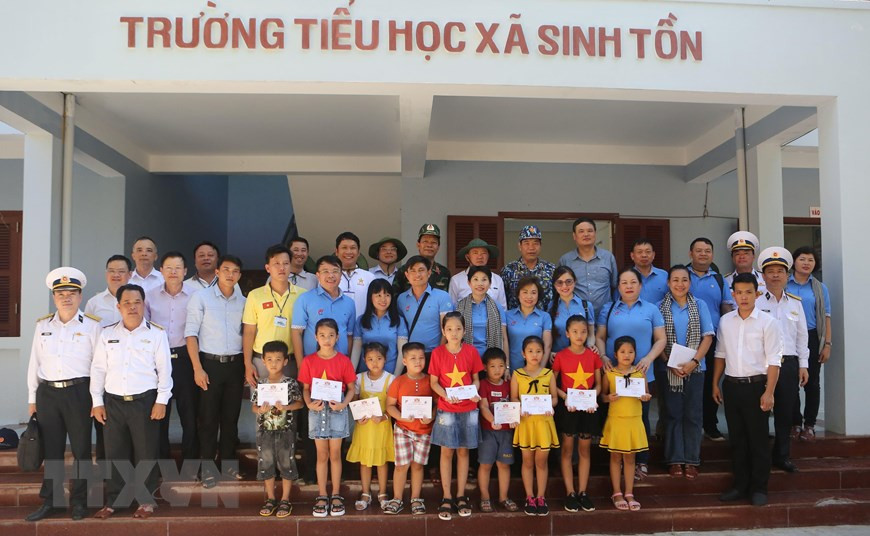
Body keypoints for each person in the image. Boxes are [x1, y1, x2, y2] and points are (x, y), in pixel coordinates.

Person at [25, 267, 101, 522]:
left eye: (71, 293)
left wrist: (96, 399)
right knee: (52, 451)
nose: (66, 297)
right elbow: (34, 363)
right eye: (60, 293)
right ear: (54, 297)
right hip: (48, 394)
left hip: (80, 393)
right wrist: (32, 398)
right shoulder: (43, 325)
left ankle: (79, 502)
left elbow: (98, 366)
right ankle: (52, 501)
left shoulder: (92, 326)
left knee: (80, 450)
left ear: (80, 296)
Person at [91, 284, 173, 520]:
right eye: (126, 302)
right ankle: (115, 501)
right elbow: (98, 370)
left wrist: (161, 401)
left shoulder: (156, 334)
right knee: (116, 453)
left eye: (137, 302)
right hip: (113, 402)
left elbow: (164, 372)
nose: (132, 307)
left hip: (145, 402)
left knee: (145, 453)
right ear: (118, 307)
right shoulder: (107, 334)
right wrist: (97, 401)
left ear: (144, 304)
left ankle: (146, 501)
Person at [712, 273, 782, 507]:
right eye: (739, 292)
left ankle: (759, 488)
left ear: (757, 294)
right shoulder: (726, 321)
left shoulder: (768, 322)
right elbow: (720, 354)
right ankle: (740, 486)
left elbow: (774, 360)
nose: (743, 297)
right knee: (738, 440)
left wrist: (769, 392)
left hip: (756, 387)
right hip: (732, 387)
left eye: (748, 292)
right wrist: (715, 382)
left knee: (758, 439)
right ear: (733, 294)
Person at [595, 267, 666, 481]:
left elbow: (661, 339)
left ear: (640, 286)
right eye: (624, 283)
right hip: (613, 373)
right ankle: (613, 461)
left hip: (641, 373)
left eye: (633, 282)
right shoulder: (608, 309)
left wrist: (648, 358)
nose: (628, 286)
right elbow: (599, 336)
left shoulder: (651, 309)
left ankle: (640, 461)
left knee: (640, 418)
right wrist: (604, 357)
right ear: (618, 287)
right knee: (614, 415)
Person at [184, 254, 246, 488]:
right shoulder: (201, 297)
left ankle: (229, 466)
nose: (231, 274)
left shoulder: (244, 301)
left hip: (235, 364)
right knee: (208, 419)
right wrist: (197, 369)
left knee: (231, 418)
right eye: (226, 269)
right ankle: (207, 469)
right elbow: (191, 334)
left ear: (239, 275)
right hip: (208, 364)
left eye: (235, 271)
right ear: (218, 272)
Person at [756, 247, 809, 473]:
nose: (775, 275)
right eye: (771, 271)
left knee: (785, 411)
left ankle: (782, 455)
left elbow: (802, 336)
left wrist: (803, 365)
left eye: (780, 271)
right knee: (758, 411)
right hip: (762, 365)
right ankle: (758, 456)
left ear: (787, 275)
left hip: (788, 363)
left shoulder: (795, 303)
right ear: (764, 275)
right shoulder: (756, 303)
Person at [658, 265, 714, 480]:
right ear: (668, 283)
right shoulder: (659, 307)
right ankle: (674, 459)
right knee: (672, 415)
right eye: (675, 280)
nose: (680, 284)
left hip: (696, 368)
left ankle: (691, 460)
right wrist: (668, 363)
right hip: (668, 369)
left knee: (692, 415)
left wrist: (693, 361)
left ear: (690, 283)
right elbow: (658, 340)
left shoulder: (699, 305)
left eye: (684, 280)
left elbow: (708, 336)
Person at [298, 318, 357, 517]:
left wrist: (344, 404)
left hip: (337, 410)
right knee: (321, 454)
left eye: (331, 335)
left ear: (337, 337)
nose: (327, 339)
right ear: (315, 337)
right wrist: (308, 404)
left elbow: (350, 388)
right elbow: (305, 389)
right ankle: (322, 494)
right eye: (322, 335)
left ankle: (337, 494)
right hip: (316, 409)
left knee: (335, 454)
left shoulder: (343, 361)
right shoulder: (309, 361)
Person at [428, 312, 483, 521]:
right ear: (443, 331)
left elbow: (476, 379)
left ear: (465, 331)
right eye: (449, 329)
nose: (454, 333)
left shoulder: (471, 352)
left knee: (463, 452)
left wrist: (473, 392)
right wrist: (447, 396)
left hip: (468, 409)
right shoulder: (438, 353)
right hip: (447, 409)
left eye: (458, 329)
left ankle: (461, 495)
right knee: (446, 452)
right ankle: (447, 496)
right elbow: (434, 383)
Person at [145, 251, 198, 463]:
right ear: (161, 271)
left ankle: (191, 463)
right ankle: (161, 462)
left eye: (178, 268)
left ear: (185, 271)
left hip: (185, 358)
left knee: (190, 415)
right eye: (169, 267)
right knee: (159, 414)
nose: (173, 272)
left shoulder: (196, 295)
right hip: (158, 361)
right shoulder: (149, 295)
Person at [552, 315, 602, 513]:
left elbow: (598, 385)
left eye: (583, 331)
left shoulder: (592, 355)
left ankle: (583, 491)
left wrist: (591, 398)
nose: (579, 335)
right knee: (567, 449)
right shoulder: (562, 356)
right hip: (569, 408)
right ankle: (570, 492)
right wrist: (566, 397)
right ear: (567, 333)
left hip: (588, 409)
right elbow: (552, 383)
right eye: (575, 331)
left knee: (584, 450)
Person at [687, 237, 734, 441]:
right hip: (687, 338)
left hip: (713, 337)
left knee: (711, 382)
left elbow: (726, 308)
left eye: (707, 250)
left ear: (712, 255)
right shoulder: (682, 275)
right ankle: (690, 425)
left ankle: (711, 424)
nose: (703, 254)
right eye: (699, 250)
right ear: (691, 254)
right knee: (688, 382)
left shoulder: (719, 279)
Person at [252, 340, 303, 518]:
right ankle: (271, 498)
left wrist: (286, 408)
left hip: (286, 431)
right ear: (263, 361)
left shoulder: (290, 383)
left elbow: (300, 403)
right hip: (264, 431)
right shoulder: (261, 383)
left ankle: (285, 499)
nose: (274, 363)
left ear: (286, 361)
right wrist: (260, 410)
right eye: (270, 359)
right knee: (266, 462)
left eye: (278, 359)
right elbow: (254, 406)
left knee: (286, 462)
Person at [599, 336, 651, 512]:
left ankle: (629, 492)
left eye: (630, 352)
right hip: (616, 420)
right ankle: (616, 492)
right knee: (615, 457)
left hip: (634, 421)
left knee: (630, 458)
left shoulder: (639, 373)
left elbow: (646, 394)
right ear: (615, 354)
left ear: (635, 354)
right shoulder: (610, 373)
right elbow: (602, 397)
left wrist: (645, 396)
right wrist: (608, 397)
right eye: (623, 352)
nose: (626, 355)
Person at [243, 244, 306, 387]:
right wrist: (248, 364)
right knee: (262, 407)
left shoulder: (303, 295)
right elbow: (249, 331)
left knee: (292, 406)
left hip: (291, 361)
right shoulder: (255, 295)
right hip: (262, 362)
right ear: (267, 268)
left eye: (285, 263)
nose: (281, 268)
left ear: (291, 266)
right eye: (276, 264)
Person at [384, 342, 435, 516]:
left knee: (418, 466)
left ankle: (415, 499)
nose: (418, 361)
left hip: (424, 430)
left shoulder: (430, 380)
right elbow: (390, 406)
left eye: (421, 358)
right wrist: (401, 417)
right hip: (403, 429)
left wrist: (432, 415)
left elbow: (436, 405)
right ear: (404, 361)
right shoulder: (398, 381)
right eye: (413, 358)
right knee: (401, 466)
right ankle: (397, 499)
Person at [787, 246, 832, 441]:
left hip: (812, 336)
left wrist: (827, 344)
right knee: (790, 382)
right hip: (788, 336)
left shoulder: (820, 288)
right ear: (794, 262)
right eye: (802, 259)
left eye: (810, 260)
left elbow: (826, 316)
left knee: (812, 383)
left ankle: (810, 425)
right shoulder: (784, 284)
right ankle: (795, 423)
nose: (806, 263)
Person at [511, 335, 559, 516]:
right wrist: (520, 407)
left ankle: (541, 496)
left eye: (538, 351)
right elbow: (513, 397)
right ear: (523, 353)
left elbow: (554, 398)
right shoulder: (517, 374)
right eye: (530, 351)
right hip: (526, 423)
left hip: (543, 423)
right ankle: (529, 496)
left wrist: (550, 406)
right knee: (528, 461)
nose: (535, 355)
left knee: (541, 461)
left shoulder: (548, 374)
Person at [347, 342, 395, 512]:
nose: (375, 363)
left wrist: (383, 416)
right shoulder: (359, 378)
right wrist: (357, 416)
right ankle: (365, 493)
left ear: (385, 359)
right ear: (364, 360)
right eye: (370, 359)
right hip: (364, 427)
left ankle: (382, 493)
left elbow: (394, 405)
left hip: (382, 426)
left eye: (379, 359)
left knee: (382, 461)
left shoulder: (391, 379)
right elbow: (354, 401)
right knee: (365, 462)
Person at [476, 348, 519, 513]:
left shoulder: (509, 384)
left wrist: (516, 419)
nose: (497, 370)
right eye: (492, 366)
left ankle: (503, 497)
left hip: (506, 432)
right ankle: (485, 497)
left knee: (504, 465)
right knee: (486, 465)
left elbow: (515, 403)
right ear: (485, 367)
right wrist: (492, 420)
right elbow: (483, 406)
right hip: (488, 431)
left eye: (501, 366)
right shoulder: (484, 385)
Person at [291, 255, 357, 359]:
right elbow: (296, 333)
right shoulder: (305, 299)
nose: (331, 275)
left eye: (335, 271)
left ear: (341, 275)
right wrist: (300, 365)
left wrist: (346, 362)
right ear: (317, 275)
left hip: (340, 364)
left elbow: (349, 336)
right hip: (313, 363)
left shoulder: (350, 303)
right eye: (325, 271)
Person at [397, 256, 454, 358]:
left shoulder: (442, 296)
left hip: (435, 354)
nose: (417, 274)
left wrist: (440, 354)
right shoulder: (401, 299)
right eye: (413, 271)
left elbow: (446, 328)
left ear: (429, 273)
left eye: (421, 270)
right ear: (407, 275)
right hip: (411, 356)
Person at [558, 218, 618, 315]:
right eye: (581, 231)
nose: (586, 234)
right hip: (576, 318)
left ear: (595, 233)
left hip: (605, 315)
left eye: (590, 231)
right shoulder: (565, 260)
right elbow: (561, 289)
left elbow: (615, 286)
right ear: (574, 236)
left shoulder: (608, 257)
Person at [350, 278, 408, 375]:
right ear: (370, 297)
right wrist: (351, 375)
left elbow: (402, 352)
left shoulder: (399, 321)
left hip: (390, 374)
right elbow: (356, 350)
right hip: (365, 375)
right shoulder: (361, 320)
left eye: (387, 295)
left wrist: (395, 377)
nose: (383, 299)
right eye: (378, 295)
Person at [456, 266, 509, 358]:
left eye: (484, 280)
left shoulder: (497, 307)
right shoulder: (460, 306)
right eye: (475, 279)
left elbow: (503, 338)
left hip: (491, 361)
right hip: (466, 359)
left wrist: (507, 366)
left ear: (490, 283)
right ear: (469, 283)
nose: (480, 284)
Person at [501, 225, 557, 311]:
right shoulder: (509, 270)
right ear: (519, 246)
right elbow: (502, 299)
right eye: (526, 243)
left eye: (535, 243)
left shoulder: (551, 269)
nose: (531, 248)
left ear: (540, 246)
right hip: (516, 321)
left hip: (544, 322)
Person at [506, 276, 553, 372]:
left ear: (538, 295)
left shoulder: (545, 317)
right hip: (512, 369)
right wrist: (506, 367)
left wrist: (541, 370)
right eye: (525, 292)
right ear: (518, 295)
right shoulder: (507, 315)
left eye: (533, 293)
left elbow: (547, 345)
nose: (529, 296)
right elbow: (504, 341)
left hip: (536, 369)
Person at [448, 238, 507, 308]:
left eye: (484, 253)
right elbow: (451, 308)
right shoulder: (456, 280)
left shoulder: (497, 279)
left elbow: (503, 308)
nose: (480, 257)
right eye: (475, 253)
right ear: (467, 257)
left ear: (488, 256)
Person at [393, 223, 451, 293]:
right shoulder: (404, 270)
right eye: (425, 241)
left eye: (433, 242)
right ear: (418, 245)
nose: (429, 245)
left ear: (438, 247)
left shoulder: (444, 273)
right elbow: (395, 298)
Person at [550, 266, 595, 354]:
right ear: (554, 285)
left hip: (581, 357)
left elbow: (591, 334)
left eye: (568, 282)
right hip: (557, 357)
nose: (564, 286)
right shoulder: (550, 307)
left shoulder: (586, 306)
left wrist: (590, 346)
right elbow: (547, 335)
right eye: (559, 283)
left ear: (575, 282)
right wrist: (550, 352)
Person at [335, 231, 375, 317]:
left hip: (362, 328)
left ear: (358, 252)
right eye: (344, 247)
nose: (348, 252)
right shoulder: (329, 277)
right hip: (335, 328)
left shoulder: (369, 277)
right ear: (337, 252)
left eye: (353, 248)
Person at [85, 255, 132, 327]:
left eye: (121, 271)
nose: (116, 275)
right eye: (111, 271)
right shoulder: (93, 303)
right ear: (106, 273)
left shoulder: (138, 302)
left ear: (130, 274)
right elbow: (87, 330)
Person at [626, 238, 669, 304]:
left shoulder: (664, 275)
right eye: (639, 252)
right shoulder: (626, 277)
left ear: (653, 255)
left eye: (648, 252)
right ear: (632, 256)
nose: (644, 255)